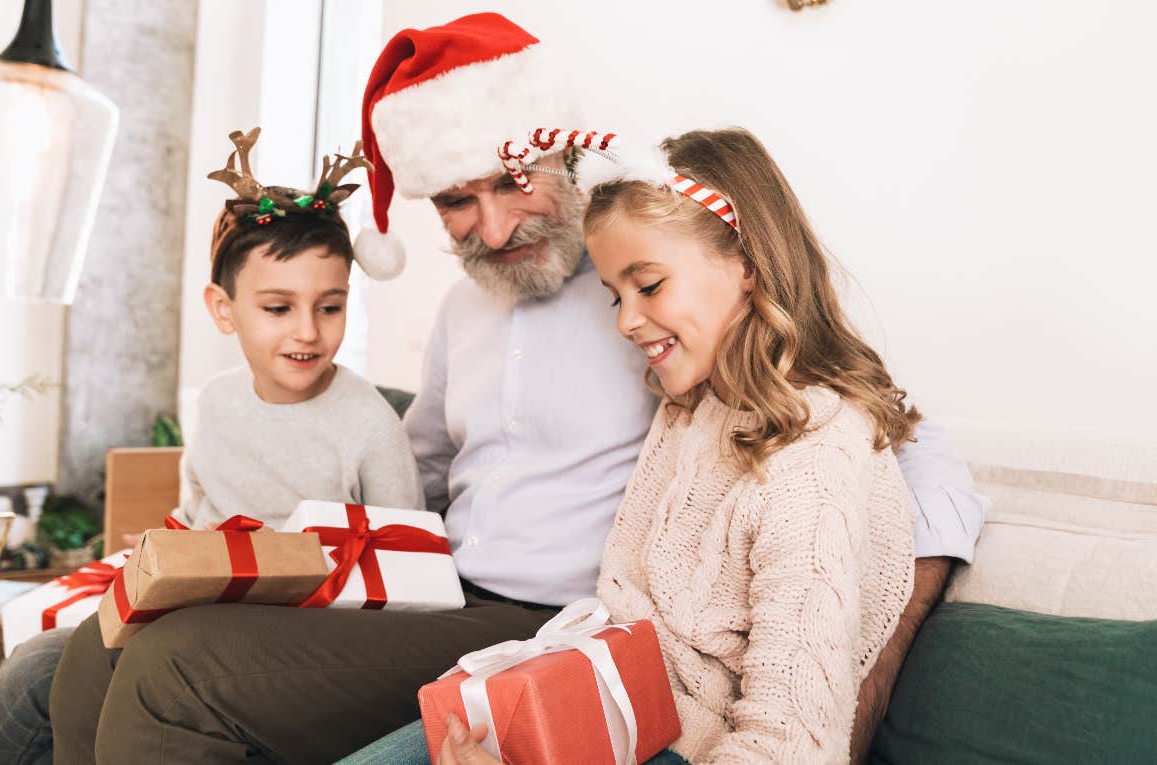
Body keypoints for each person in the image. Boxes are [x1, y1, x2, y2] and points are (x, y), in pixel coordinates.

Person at [37, 13, 981, 765]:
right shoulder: (473, 314)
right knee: (99, 645)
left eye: (510, 181)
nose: (491, 230)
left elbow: (859, 426)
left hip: (543, 616)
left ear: (559, 158)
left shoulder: (671, 315)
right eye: (455, 200)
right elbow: (419, 489)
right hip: (433, 588)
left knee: (172, 668)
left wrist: (901, 615)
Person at [348, 127, 920, 764]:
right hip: (594, 699)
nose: (624, 320)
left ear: (751, 266)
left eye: (648, 286)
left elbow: (789, 748)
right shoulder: (691, 407)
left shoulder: (814, 459)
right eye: (614, 294)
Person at [0, 131, 423, 765]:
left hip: (296, 646)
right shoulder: (217, 404)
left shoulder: (370, 425)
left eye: (329, 308)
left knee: (118, 673)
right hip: (201, 615)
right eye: (278, 307)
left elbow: (413, 579)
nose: (308, 331)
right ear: (223, 310)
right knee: (39, 666)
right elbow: (195, 522)